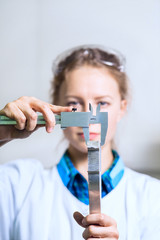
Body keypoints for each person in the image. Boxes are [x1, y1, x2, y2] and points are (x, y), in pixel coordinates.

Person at [0, 45, 160, 240]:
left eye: (102, 103)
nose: (89, 116)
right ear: (55, 106)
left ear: (122, 108)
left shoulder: (154, 197)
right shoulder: (15, 184)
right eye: (74, 103)